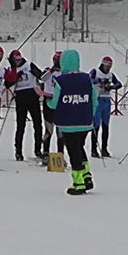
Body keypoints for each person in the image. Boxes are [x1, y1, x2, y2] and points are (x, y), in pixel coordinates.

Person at [47, 49, 99, 195]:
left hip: (68, 123)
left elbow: (55, 103)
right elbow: (94, 100)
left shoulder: (61, 81)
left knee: (73, 151)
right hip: (85, 122)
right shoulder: (87, 79)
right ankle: (87, 175)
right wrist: (90, 115)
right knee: (80, 147)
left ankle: (78, 182)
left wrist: (47, 101)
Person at [8, 49, 45, 161]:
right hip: (20, 98)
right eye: (16, 60)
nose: (18, 62)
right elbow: (7, 84)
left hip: (33, 97)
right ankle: (18, 151)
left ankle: (38, 149)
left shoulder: (29, 64)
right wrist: (15, 78)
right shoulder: (12, 69)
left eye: (19, 59)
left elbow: (42, 76)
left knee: (38, 124)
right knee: (20, 126)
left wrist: (37, 74)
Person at [90, 56, 122, 158]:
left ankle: (104, 149)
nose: (108, 68)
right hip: (97, 99)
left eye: (110, 66)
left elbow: (119, 84)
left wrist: (111, 86)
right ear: (103, 64)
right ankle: (94, 149)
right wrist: (99, 80)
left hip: (107, 100)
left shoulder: (110, 75)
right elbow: (89, 79)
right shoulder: (96, 71)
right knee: (96, 125)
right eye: (107, 66)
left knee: (106, 125)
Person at [38, 51, 63, 163]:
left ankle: (60, 154)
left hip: (60, 102)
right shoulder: (48, 71)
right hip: (48, 100)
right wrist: (52, 70)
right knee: (48, 129)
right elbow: (42, 79)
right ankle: (45, 152)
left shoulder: (64, 73)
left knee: (61, 131)